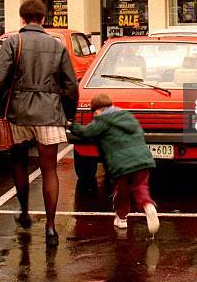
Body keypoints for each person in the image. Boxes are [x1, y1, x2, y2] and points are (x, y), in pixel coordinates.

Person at [0, 0, 78, 247]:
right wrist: (69, 114)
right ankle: (51, 227)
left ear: (22, 19)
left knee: (19, 164)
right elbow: (71, 86)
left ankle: (24, 213)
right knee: (49, 169)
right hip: (49, 113)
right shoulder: (57, 46)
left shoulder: (14, 42)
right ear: (43, 19)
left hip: (18, 113)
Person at [68, 93, 159, 235]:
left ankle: (122, 219)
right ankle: (148, 205)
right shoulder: (128, 116)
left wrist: (71, 125)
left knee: (121, 192)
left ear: (97, 110)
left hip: (120, 165)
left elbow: (87, 132)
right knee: (140, 187)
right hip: (142, 160)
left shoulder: (102, 120)